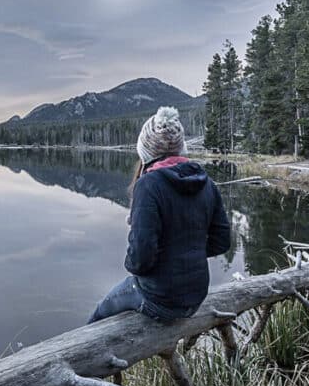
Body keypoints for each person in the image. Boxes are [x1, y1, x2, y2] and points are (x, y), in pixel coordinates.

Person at [88, 106, 231, 324]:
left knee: (98, 317)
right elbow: (222, 242)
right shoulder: (206, 182)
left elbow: (140, 259)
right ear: (180, 148)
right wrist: (188, 253)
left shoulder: (148, 185)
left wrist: (148, 263)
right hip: (196, 296)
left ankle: (86, 352)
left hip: (161, 299)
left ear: (145, 151)